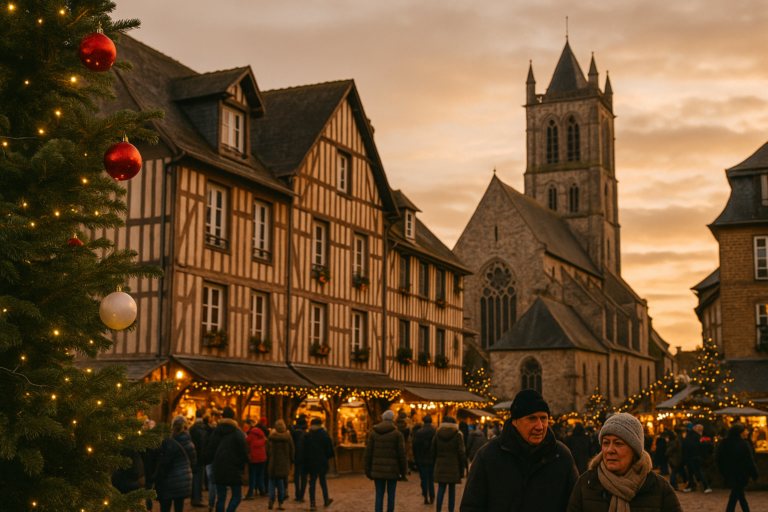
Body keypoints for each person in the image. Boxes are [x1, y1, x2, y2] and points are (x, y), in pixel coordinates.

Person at [460, 389, 578, 512]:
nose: (539, 426)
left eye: (543, 418)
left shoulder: (561, 455)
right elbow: (471, 506)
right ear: (515, 422)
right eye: (531, 418)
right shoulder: (488, 456)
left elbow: (575, 505)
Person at [567, 413, 682, 512]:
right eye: (606, 443)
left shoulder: (658, 487)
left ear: (634, 450)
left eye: (618, 443)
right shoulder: (586, 484)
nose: (610, 450)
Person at [203, 406, 249, 512]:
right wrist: (242, 465)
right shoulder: (238, 433)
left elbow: (209, 450)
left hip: (219, 467)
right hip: (234, 469)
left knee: (221, 498)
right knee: (237, 496)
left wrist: (212, 461)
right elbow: (244, 453)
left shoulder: (216, 432)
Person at [365, 410, 407, 512]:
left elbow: (368, 453)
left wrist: (368, 470)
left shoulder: (373, 433)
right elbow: (402, 454)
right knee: (391, 495)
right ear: (393, 419)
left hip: (377, 469)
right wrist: (403, 471)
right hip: (392, 470)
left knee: (379, 494)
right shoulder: (397, 434)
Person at [155, 415, 197, 512]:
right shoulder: (189, 443)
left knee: (165, 505)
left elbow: (162, 461)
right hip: (182, 479)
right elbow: (193, 462)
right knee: (179, 506)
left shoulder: (168, 442)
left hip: (167, 479)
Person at [717, 423, 759, 512]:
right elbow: (749, 460)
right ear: (740, 432)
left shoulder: (725, 442)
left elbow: (719, 458)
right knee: (737, 493)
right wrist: (754, 474)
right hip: (741, 473)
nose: (747, 432)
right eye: (746, 431)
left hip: (729, 473)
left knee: (737, 493)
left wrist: (722, 471)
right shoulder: (743, 444)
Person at [431, 416, 467, 512]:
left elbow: (433, 451)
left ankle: (438, 509)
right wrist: (462, 465)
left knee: (441, 489)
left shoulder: (437, 434)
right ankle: (450, 509)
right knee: (452, 490)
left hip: (440, 464)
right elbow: (461, 452)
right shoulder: (457, 435)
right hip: (453, 466)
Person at [303, 417, 335, 511]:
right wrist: (326, 457)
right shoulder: (324, 434)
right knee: (323, 480)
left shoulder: (309, 435)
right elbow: (329, 448)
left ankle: (312, 503)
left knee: (312, 482)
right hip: (322, 460)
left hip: (311, 461)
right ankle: (326, 499)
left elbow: (305, 450)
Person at [267, 419, 295, 510]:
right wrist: (292, 460)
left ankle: (271, 499)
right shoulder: (288, 437)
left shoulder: (272, 437)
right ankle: (280, 503)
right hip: (283, 463)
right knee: (280, 484)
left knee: (271, 482)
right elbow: (292, 449)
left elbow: (267, 450)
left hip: (273, 463)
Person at [412, 414, 437, 504]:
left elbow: (414, 446)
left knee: (424, 479)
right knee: (431, 478)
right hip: (431, 459)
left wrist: (416, 458)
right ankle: (432, 495)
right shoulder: (434, 432)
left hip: (421, 459)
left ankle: (425, 495)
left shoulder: (419, 432)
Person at [682, 424, 712, 493]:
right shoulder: (695, 436)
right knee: (697, 472)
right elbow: (697, 447)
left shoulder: (689, 435)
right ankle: (705, 486)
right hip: (694, 456)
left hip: (689, 456)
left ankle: (690, 486)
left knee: (691, 472)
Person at [189, 409, 208, 508]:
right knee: (198, 478)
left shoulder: (192, 428)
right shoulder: (202, 428)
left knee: (194, 478)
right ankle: (197, 498)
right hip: (199, 457)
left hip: (192, 455)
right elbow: (202, 443)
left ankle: (193, 498)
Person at [244, 418, 267, 500]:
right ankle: (261, 490)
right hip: (262, 458)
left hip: (253, 458)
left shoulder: (250, 435)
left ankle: (251, 492)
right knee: (260, 475)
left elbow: (247, 443)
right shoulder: (262, 435)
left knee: (252, 476)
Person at [204, 409, 222, 510]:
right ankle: (218, 503)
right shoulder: (220, 437)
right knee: (218, 483)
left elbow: (206, 449)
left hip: (210, 461)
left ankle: (211, 503)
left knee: (211, 483)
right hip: (217, 461)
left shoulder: (208, 435)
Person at [291, 415, 308, 502]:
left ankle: (297, 494)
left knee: (297, 476)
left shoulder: (293, 434)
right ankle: (301, 494)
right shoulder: (306, 435)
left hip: (297, 457)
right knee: (304, 477)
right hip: (305, 458)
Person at [395, 411, 411, 478]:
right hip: (405, 443)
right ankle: (404, 472)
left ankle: (397, 471)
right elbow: (407, 433)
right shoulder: (406, 424)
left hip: (396, 442)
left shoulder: (395, 423)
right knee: (404, 457)